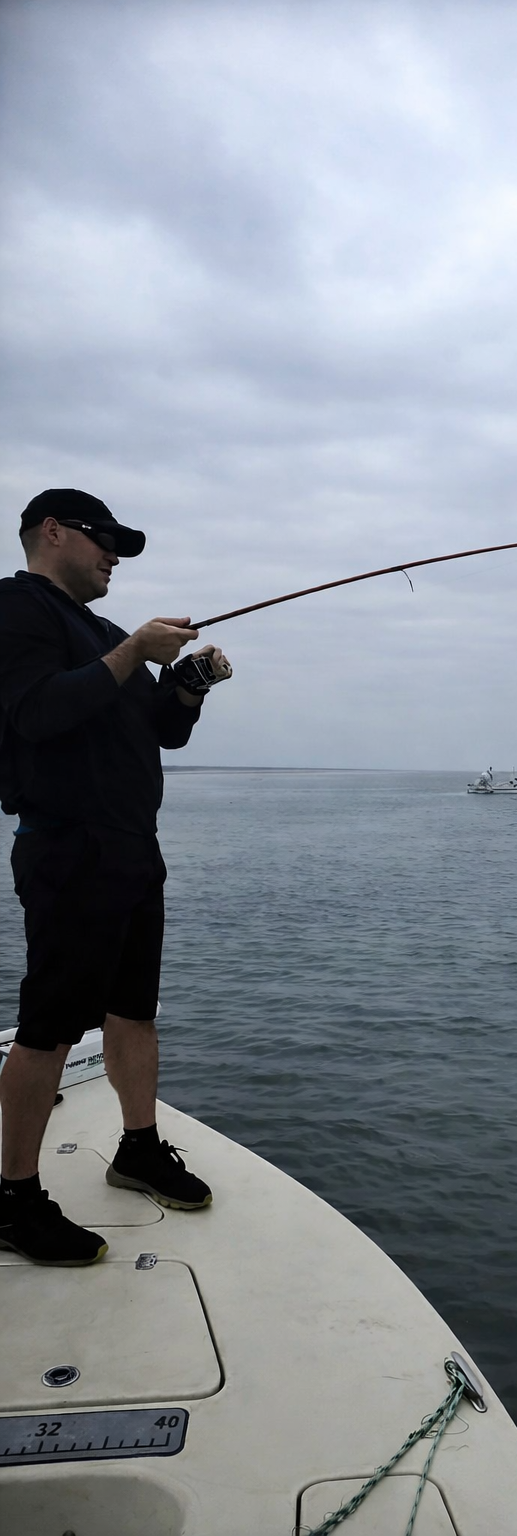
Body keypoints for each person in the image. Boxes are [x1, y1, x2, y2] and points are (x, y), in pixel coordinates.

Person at [0, 489, 232, 1266]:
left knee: (135, 1011)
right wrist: (135, 650)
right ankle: (14, 1196)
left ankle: (138, 1148)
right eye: (105, 542)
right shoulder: (18, 609)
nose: (114, 559)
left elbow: (160, 728)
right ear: (52, 531)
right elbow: (36, 713)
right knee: (50, 1028)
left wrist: (191, 682)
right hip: (67, 848)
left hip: (134, 848)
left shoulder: (102, 634)